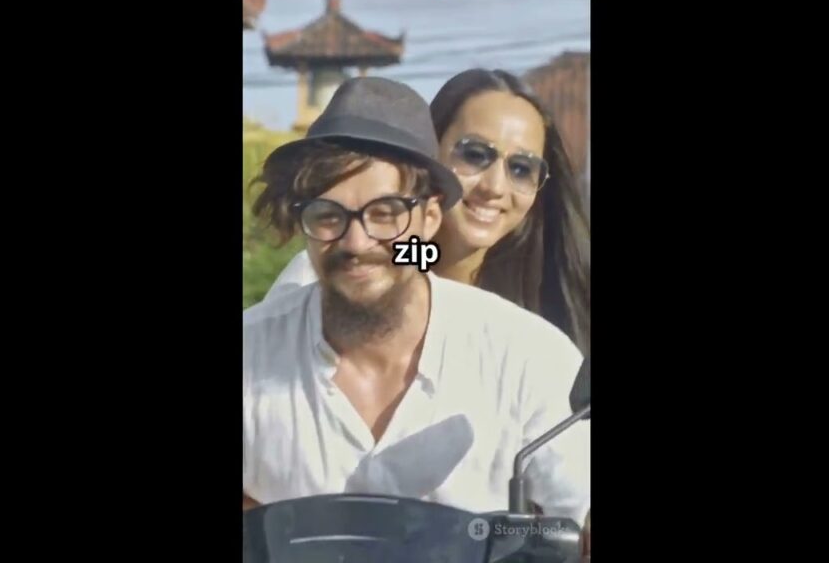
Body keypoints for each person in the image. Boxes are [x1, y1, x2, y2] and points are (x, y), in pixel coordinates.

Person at [243, 77, 590, 530]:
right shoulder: (263, 343)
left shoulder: (527, 352)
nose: (356, 241)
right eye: (327, 215)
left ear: (430, 215)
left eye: (385, 213)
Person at [263, 68, 591, 358]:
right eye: (475, 154)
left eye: (521, 169)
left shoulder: (550, 295)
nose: (495, 187)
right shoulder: (339, 267)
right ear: (428, 158)